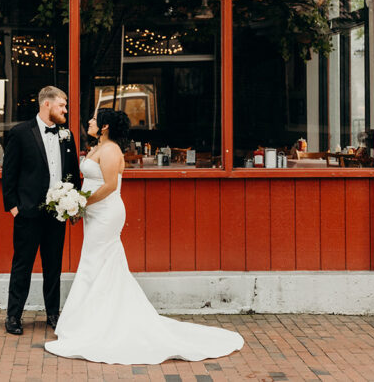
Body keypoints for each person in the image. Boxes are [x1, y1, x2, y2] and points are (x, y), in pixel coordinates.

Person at [45, 108, 244, 364]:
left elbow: (109, 186)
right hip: (94, 213)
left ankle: (101, 323)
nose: (90, 122)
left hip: (105, 213)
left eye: (94, 120)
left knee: (99, 262)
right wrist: (75, 203)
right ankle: (92, 318)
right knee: (95, 263)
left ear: (105, 127)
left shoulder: (111, 150)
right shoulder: (96, 147)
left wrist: (81, 203)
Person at [1, 85, 81, 336]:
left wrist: (74, 204)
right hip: (28, 212)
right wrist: (14, 207)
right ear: (46, 104)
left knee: (53, 266)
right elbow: (9, 173)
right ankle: (13, 316)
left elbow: (72, 171)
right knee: (22, 265)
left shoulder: (67, 134)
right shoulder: (20, 133)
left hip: (57, 213)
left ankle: (53, 314)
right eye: (61, 105)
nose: (65, 110)